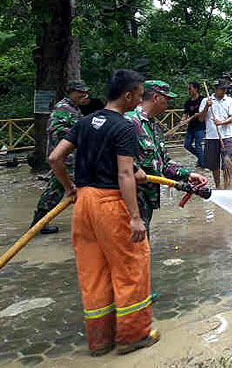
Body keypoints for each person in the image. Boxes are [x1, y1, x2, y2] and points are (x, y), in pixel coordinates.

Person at [48, 69, 159, 356]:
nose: (139, 98)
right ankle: (133, 336)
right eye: (138, 92)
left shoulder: (85, 122)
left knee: (93, 271)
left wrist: (69, 188)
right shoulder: (124, 127)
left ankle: (100, 341)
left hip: (84, 203)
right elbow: (123, 174)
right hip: (110, 203)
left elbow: (55, 157)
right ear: (128, 94)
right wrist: (135, 217)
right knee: (131, 266)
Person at [125, 80, 208, 234]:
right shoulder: (128, 122)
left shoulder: (154, 127)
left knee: (141, 251)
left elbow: (164, 164)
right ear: (156, 97)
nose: (168, 104)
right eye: (166, 99)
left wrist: (188, 175)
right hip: (126, 206)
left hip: (145, 202)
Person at [30, 80, 90, 234]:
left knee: (66, 189)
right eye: (80, 92)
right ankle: (39, 223)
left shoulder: (73, 108)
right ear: (70, 92)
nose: (84, 94)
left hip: (71, 158)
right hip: (65, 158)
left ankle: (41, 222)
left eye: (85, 92)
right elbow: (58, 131)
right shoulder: (63, 108)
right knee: (57, 189)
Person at [199, 79, 232, 189]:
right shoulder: (206, 100)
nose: (224, 91)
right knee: (214, 165)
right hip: (211, 137)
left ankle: (227, 187)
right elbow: (201, 119)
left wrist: (221, 122)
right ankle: (218, 186)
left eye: (225, 89)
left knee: (227, 164)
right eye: (222, 89)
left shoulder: (230, 100)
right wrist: (207, 106)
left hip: (227, 136)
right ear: (215, 89)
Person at [182, 82, 206, 167]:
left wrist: (199, 114)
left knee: (198, 145)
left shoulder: (202, 100)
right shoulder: (188, 102)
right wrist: (183, 121)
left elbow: (206, 111)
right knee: (187, 145)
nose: (189, 91)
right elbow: (185, 114)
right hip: (191, 126)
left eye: (190, 89)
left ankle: (203, 164)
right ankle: (202, 158)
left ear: (196, 89)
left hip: (199, 126)